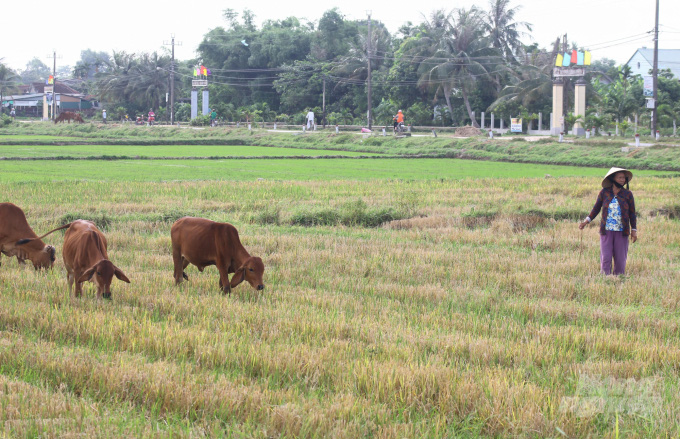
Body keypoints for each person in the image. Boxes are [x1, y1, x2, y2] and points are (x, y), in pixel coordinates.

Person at [579, 167, 638, 275]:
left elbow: (632, 214)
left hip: (622, 231)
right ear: (613, 179)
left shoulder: (628, 194)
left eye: (623, 178)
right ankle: (606, 280)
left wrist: (634, 230)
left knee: (620, 259)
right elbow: (596, 209)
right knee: (606, 257)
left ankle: (619, 279)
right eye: (619, 178)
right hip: (606, 231)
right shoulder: (604, 193)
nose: (622, 180)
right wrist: (586, 221)